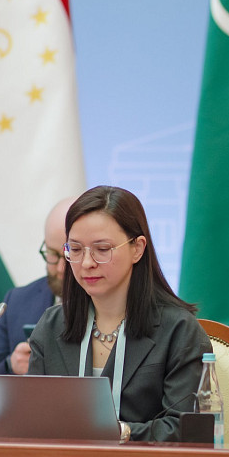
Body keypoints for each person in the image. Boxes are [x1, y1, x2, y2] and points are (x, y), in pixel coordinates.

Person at [28, 186, 211, 442]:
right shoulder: (51, 325)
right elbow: (33, 418)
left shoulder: (178, 329)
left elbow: (188, 430)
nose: (87, 263)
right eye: (76, 250)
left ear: (137, 248)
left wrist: (121, 433)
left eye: (102, 249)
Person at [0, 196, 75, 421]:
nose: (60, 268)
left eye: (70, 255)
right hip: (28, 435)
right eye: (53, 254)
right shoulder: (18, 302)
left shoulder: (108, 304)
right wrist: (11, 367)